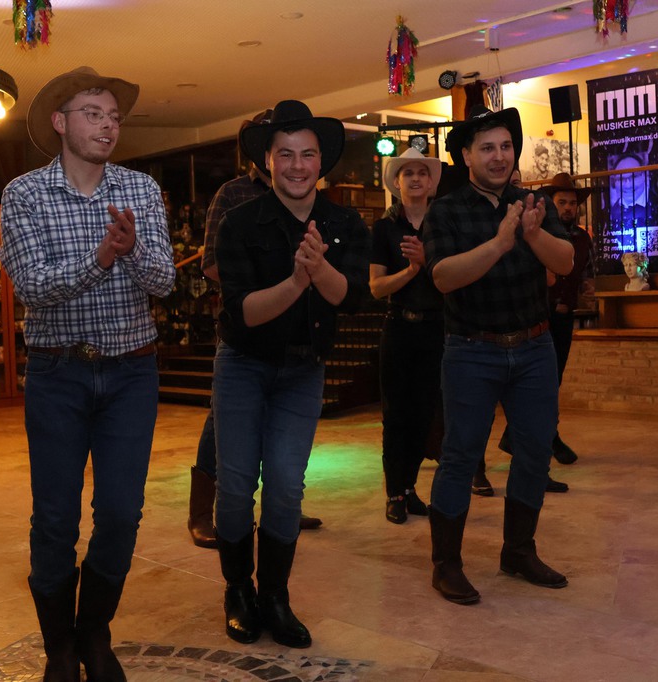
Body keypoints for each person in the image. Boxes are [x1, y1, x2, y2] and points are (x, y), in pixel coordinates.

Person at [0, 66, 176, 680]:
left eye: (113, 118)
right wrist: (102, 257)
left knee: (122, 513)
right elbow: (33, 287)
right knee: (55, 518)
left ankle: (95, 632)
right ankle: (60, 648)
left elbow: (164, 280)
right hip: (57, 375)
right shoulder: (25, 194)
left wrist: (131, 252)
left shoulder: (140, 189)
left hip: (131, 373)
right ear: (60, 122)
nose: (107, 126)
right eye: (93, 114)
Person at [212, 100, 369, 647]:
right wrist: (299, 282)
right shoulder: (239, 223)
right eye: (286, 155)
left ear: (321, 161)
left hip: (304, 368)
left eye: (307, 154)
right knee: (235, 485)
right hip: (243, 364)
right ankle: (238, 590)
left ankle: (275, 597)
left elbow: (353, 299)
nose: (297, 166)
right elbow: (243, 313)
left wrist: (319, 269)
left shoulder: (345, 223)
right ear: (268, 162)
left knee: (284, 487)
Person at [422, 105, 574, 605]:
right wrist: (501, 242)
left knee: (534, 451)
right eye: (487, 147)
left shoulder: (535, 203)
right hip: (471, 350)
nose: (499, 156)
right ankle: (446, 564)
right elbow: (443, 277)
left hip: (534, 347)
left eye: (506, 146)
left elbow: (566, 262)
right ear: (466, 156)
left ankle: (519, 551)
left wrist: (532, 233)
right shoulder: (446, 210)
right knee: (461, 456)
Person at [187, 111, 324, 549]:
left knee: (287, 438)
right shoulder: (233, 194)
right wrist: (267, 288)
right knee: (222, 423)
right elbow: (211, 263)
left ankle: (283, 507)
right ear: (261, 152)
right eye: (275, 147)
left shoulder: (312, 198)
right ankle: (201, 512)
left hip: (299, 336)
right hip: (244, 332)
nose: (293, 162)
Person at [497, 173, 594, 470]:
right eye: (562, 202)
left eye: (572, 203)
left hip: (565, 318)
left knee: (554, 381)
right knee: (538, 385)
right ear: (551, 204)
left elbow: (584, 274)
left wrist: (585, 290)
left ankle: (535, 437)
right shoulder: (536, 233)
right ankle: (538, 440)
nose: (568, 208)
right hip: (540, 316)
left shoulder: (582, 238)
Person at [369, 148, 444, 525]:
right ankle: (394, 493)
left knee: (424, 413)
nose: (415, 178)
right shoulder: (385, 228)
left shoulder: (443, 225)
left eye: (421, 173)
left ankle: (410, 487)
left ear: (430, 182)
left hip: (436, 328)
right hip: (398, 327)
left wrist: (426, 262)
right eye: (407, 173)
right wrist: (412, 270)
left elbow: (454, 279)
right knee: (395, 414)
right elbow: (376, 287)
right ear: (396, 183)